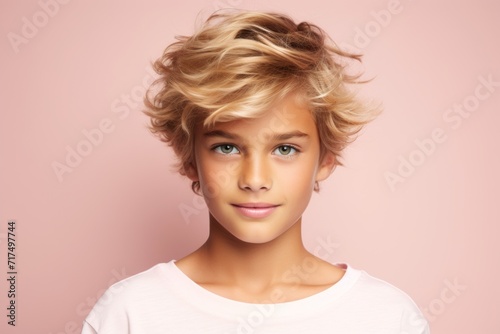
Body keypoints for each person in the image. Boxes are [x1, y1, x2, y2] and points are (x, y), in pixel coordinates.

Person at [82, 10, 430, 333]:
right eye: (227, 148)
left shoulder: (386, 318)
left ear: (325, 160)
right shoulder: (130, 314)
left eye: (285, 149)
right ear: (190, 160)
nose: (255, 180)